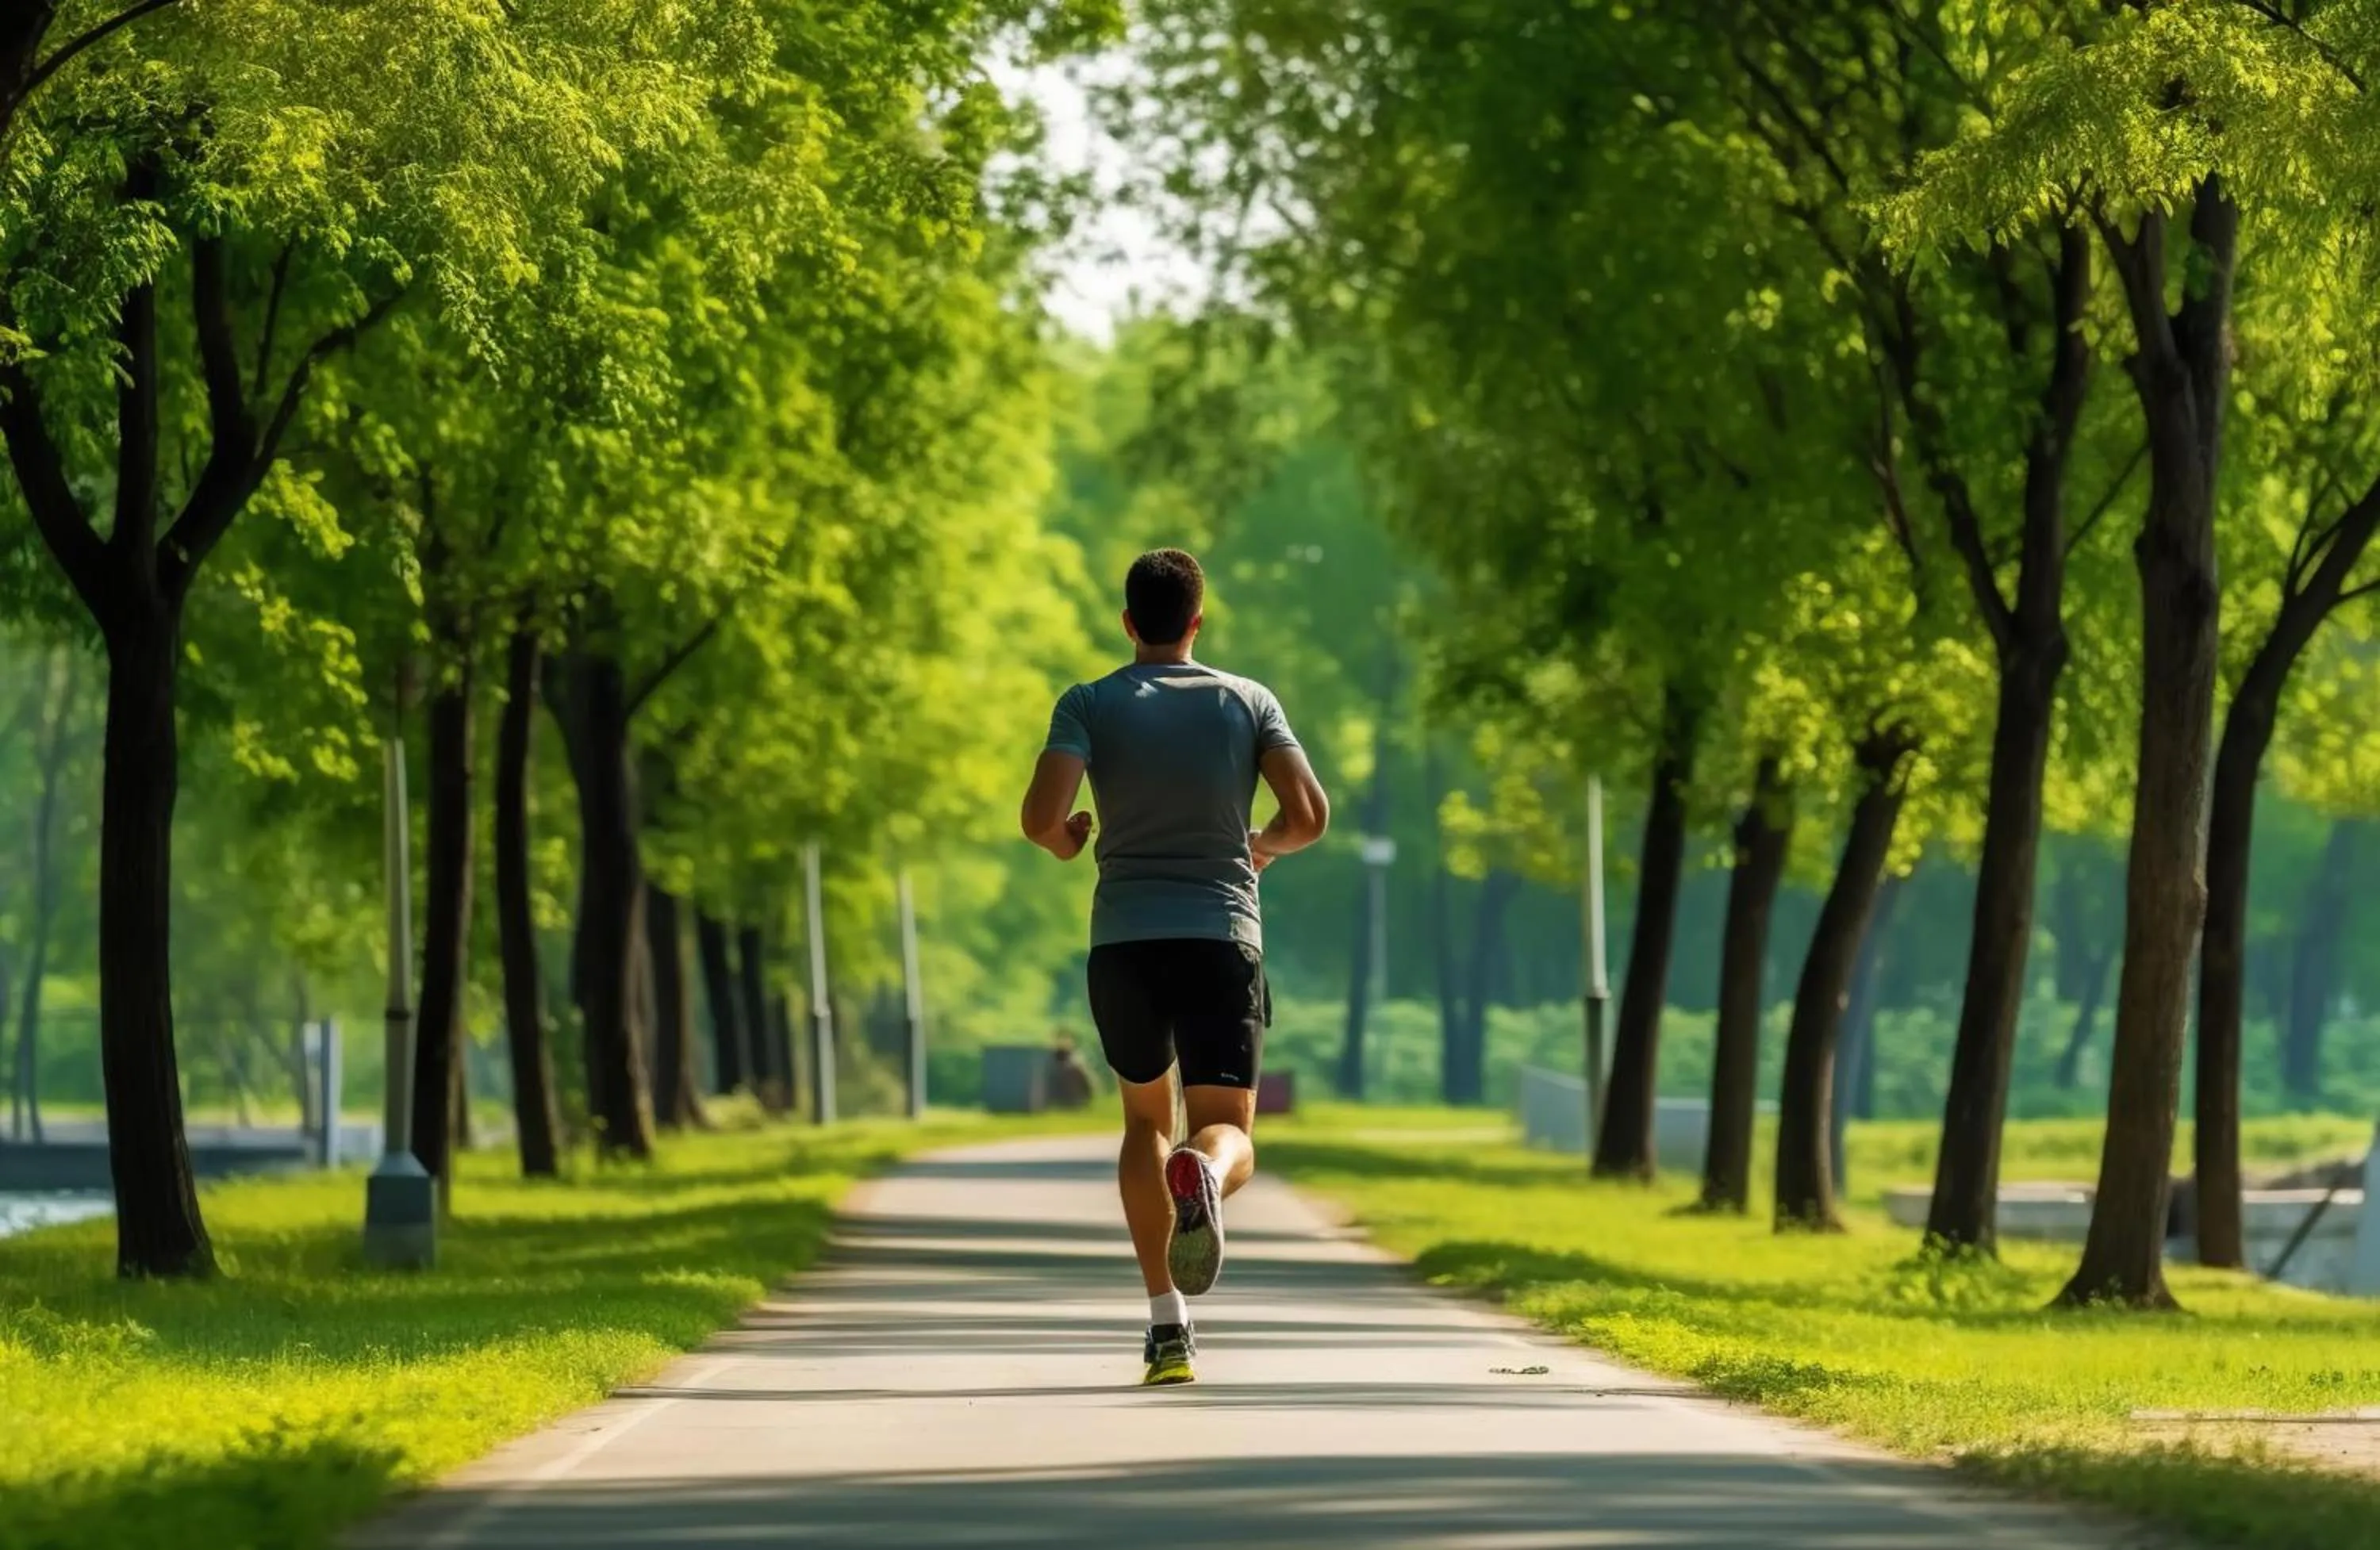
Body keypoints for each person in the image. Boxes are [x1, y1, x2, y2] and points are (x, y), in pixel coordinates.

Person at [1019, 547, 1330, 1387]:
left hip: (1125, 944)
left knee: (1144, 1125)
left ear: (1128, 622)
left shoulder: (1088, 702)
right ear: (1198, 620)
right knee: (1227, 1128)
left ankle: (1167, 1327)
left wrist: (1068, 842)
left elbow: (1041, 817)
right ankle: (1210, 1175)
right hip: (1220, 938)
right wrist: (1263, 844)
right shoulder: (1248, 700)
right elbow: (1309, 815)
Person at [1047, 1034, 1095, 1111]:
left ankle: (1078, 1100)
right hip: (1061, 1078)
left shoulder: (1073, 1056)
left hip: (1071, 1078)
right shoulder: (1053, 1054)